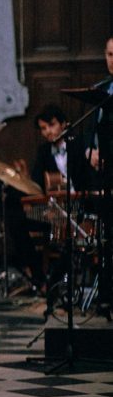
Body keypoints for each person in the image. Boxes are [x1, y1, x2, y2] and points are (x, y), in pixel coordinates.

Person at [85, 35, 113, 315]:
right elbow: (89, 131)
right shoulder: (100, 89)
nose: (112, 61)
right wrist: (89, 150)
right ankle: (106, 297)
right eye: (109, 54)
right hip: (104, 176)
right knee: (106, 238)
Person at [31, 105, 92, 193]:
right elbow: (37, 181)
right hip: (58, 202)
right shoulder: (43, 151)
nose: (47, 131)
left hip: (83, 199)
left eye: (51, 125)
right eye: (43, 128)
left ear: (63, 124)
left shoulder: (79, 144)